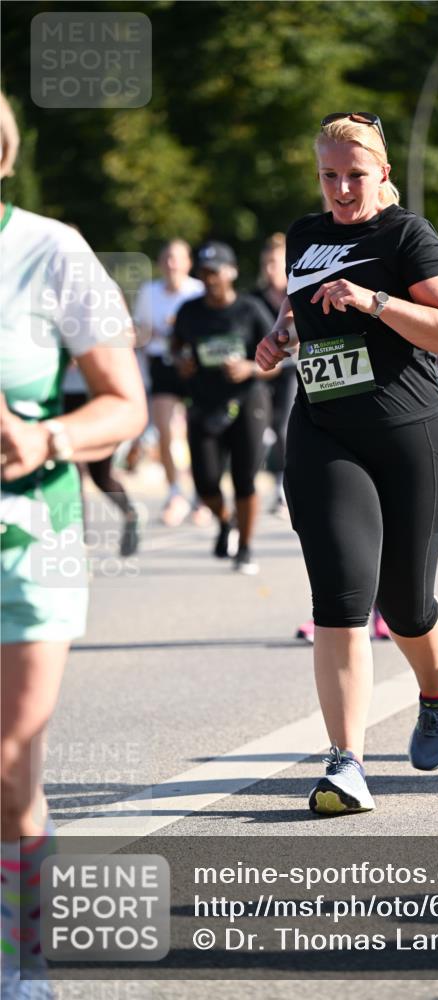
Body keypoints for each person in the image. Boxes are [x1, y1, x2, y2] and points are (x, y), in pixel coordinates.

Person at [256, 112, 438, 815]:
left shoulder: (406, 235)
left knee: (403, 607)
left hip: (413, 435)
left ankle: (436, 690)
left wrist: (374, 300)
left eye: (355, 174)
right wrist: (279, 336)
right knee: (341, 601)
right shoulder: (306, 233)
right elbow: (302, 313)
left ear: (382, 171)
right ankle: (345, 763)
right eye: (329, 175)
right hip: (323, 430)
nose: (342, 188)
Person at [0, 92, 147, 998]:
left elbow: (124, 402)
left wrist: (46, 436)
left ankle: (23, 958)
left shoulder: (52, 250)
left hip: (31, 533)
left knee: (10, 761)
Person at [172, 241, 275, 574]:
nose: (209, 279)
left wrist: (249, 367)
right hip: (204, 403)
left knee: (245, 478)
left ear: (231, 272)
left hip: (247, 401)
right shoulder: (189, 311)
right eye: (203, 272)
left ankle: (244, 548)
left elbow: (277, 360)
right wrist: (182, 362)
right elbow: (177, 348)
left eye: (214, 271)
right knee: (205, 483)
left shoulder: (250, 309)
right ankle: (225, 520)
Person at [133, 240, 205, 526]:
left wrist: (181, 328)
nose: (171, 264)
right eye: (166, 258)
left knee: (196, 432)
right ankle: (175, 492)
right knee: (163, 428)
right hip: (162, 365)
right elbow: (139, 333)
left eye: (177, 258)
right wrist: (148, 333)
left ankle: (202, 494)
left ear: (187, 263)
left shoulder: (197, 290)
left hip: (193, 367)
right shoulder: (148, 292)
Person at [62, 359, 141, 555]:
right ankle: (79, 542)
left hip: (97, 398)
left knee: (101, 477)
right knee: (72, 471)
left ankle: (130, 514)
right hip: (61, 395)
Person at [250, 234, 298, 515]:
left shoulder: (297, 294)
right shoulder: (254, 299)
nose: (270, 270)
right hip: (263, 369)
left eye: (276, 264)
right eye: (266, 263)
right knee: (263, 428)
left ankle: (285, 486)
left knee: (283, 427)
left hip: (292, 370)